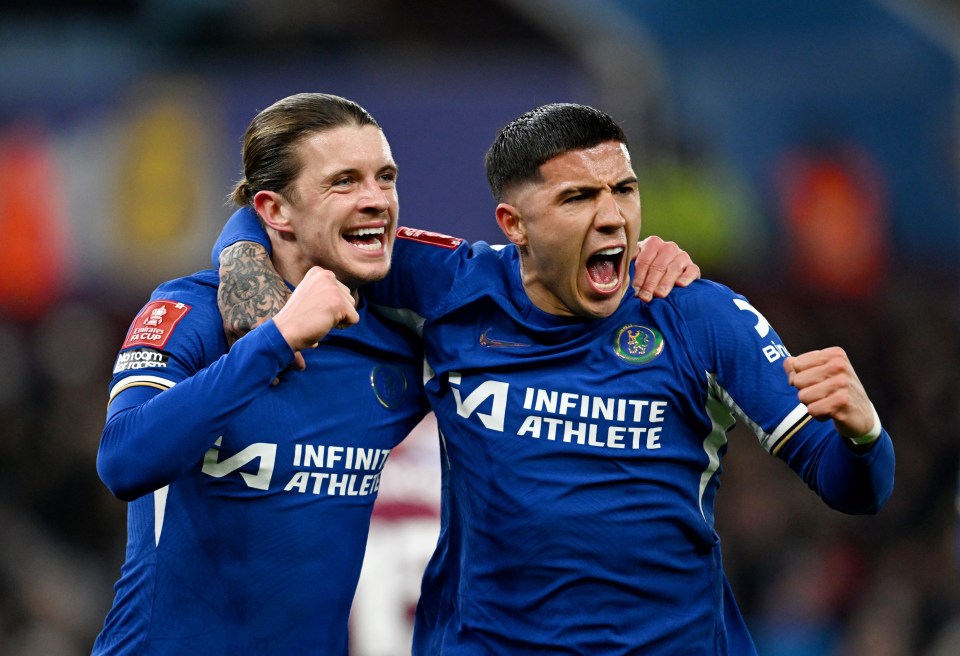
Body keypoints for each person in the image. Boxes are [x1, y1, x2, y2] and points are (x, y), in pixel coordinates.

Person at [213, 102, 895, 654]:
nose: (611, 215)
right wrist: (244, 272)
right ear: (515, 224)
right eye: (578, 197)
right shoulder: (452, 288)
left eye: (623, 191)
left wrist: (864, 436)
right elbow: (280, 217)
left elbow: (849, 487)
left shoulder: (696, 315)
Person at [94, 94, 698, 656]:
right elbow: (124, 461)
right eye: (344, 182)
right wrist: (274, 341)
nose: (378, 199)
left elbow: (540, 304)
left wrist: (646, 272)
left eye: (386, 177)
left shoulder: (400, 346)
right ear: (274, 209)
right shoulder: (190, 313)